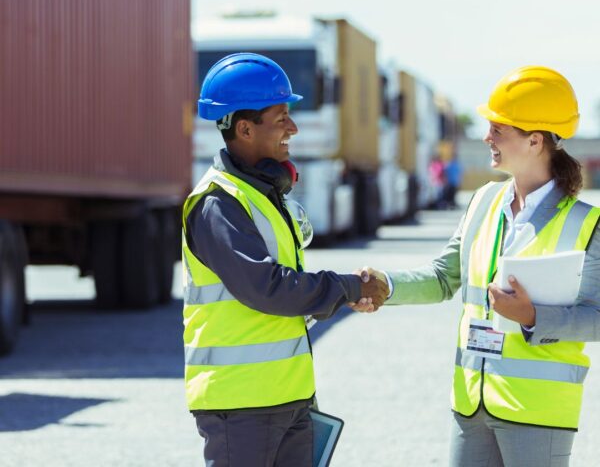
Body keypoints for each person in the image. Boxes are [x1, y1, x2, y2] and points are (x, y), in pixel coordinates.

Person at [353, 66, 600, 466]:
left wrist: (533, 317)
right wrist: (384, 285)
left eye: (498, 129)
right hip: (471, 405)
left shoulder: (586, 224)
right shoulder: (484, 202)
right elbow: (443, 277)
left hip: (536, 412)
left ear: (535, 140)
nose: (486, 137)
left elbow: (596, 316)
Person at [183, 52, 388, 467]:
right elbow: (267, 288)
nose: (292, 128)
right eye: (281, 118)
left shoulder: (260, 194)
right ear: (244, 128)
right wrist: (348, 287)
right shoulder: (218, 205)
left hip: (287, 395)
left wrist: (339, 295)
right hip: (242, 405)